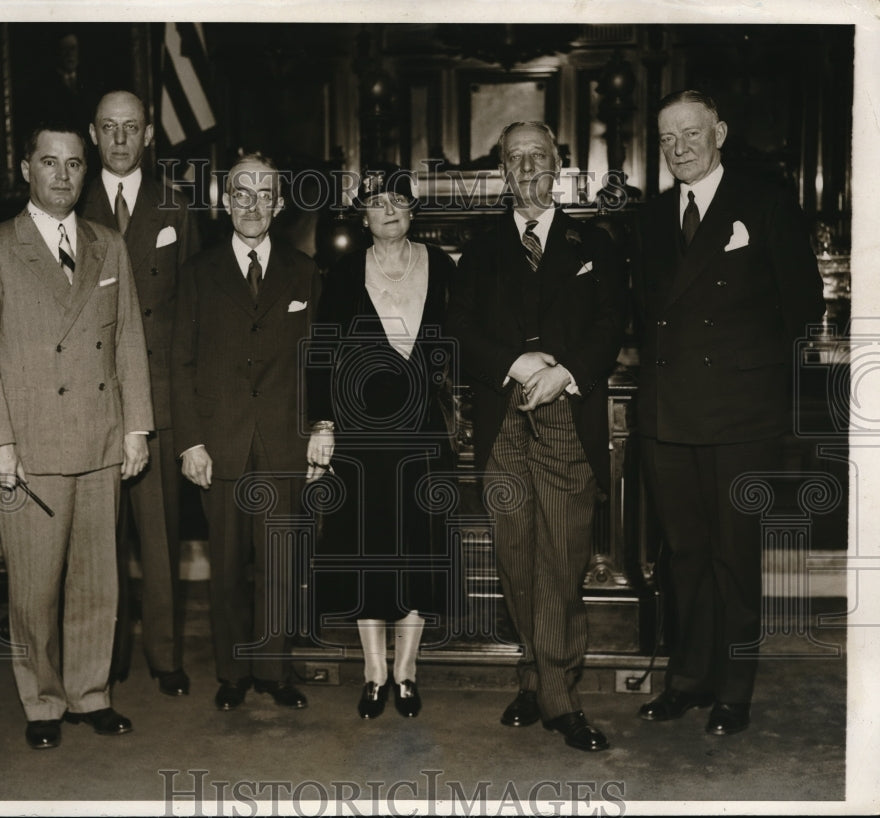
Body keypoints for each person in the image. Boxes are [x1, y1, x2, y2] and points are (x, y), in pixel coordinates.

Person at [0, 123, 153, 750]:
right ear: (26, 170)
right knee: (35, 589)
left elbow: (127, 340)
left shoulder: (107, 243)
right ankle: (41, 702)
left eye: (73, 164)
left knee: (99, 583)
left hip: (99, 441)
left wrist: (137, 427)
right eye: (49, 163)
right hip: (28, 448)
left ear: (84, 171)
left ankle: (90, 694)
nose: (63, 176)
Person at [633, 90, 825, 736]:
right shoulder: (653, 216)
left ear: (718, 132)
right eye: (667, 139)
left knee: (735, 558)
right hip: (669, 414)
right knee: (684, 554)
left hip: (741, 414)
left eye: (690, 133)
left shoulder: (764, 202)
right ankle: (689, 679)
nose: (679, 148)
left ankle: (734, 691)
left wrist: (746, 367)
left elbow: (804, 304)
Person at [447, 121, 627, 752]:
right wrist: (519, 366)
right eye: (514, 159)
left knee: (562, 558)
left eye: (538, 157)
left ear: (559, 166)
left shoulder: (594, 242)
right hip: (503, 420)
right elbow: (459, 323)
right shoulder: (479, 248)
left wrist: (564, 371)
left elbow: (612, 320)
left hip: (567, 418)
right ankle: (534, 674)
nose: (527, 168)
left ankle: (559, 695)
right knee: (516, 557)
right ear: (503, 171)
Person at [171, 153, 320, 711]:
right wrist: (190, 442)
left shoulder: (304, 271)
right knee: (227, 565)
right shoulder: (198, 273)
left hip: (283, 442)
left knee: (280, 563)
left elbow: (315, 361)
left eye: (264, 195)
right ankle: (233, 672)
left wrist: (316, 432)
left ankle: (274, 671)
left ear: (280, 204)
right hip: (221, 443)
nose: (252, 204)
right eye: (241, 193)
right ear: (224, 202)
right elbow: (180, 365)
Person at [306, 166, 455, 720]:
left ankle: (407, 673)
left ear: (413, 210)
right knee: (367, 550)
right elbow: (321, 352)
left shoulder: (441, 267)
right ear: (362, 215)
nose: (388, 209)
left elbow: (458, 342)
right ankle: (373, 674)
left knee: (417, 547)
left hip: (421, 431)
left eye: (399, 200)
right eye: (377, 202)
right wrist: (322, 423)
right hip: (361, 433)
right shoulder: (343, 273)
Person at [80, 90, 201, 697]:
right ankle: (103, 656)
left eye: (131, 128)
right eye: (109, 128)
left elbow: (191, 310)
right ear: (93, 133)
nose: (121, 139)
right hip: (92, 397)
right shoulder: (70, 203)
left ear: (149, 134)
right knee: (100, 539)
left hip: (158, 397)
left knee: (160, 536)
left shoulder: (175, 205)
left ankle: (165, 656)